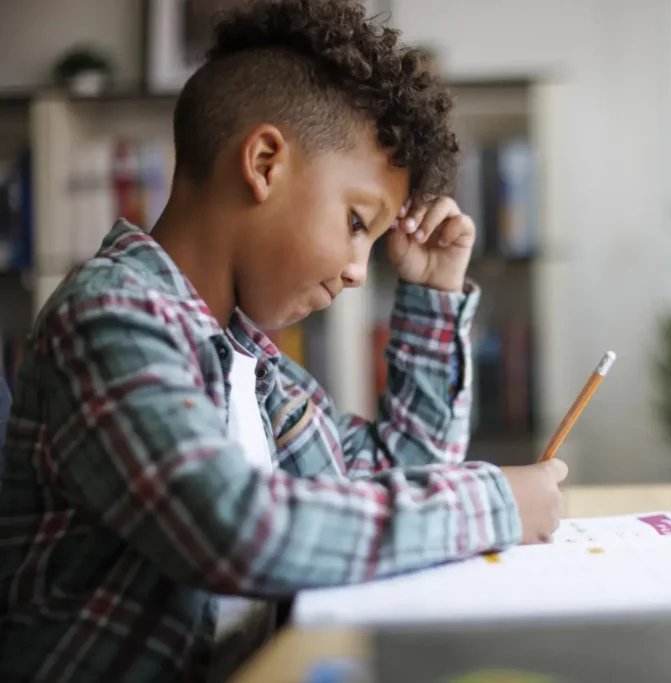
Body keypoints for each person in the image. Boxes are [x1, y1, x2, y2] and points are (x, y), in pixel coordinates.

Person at [0, 1, 567, 681]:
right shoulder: (109, 317)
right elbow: (235, 528)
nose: (361, 270)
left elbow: (404, 474)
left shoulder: (261, 370)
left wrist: (434, 295)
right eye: (358, 222)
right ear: (265, 161)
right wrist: (495, 502)